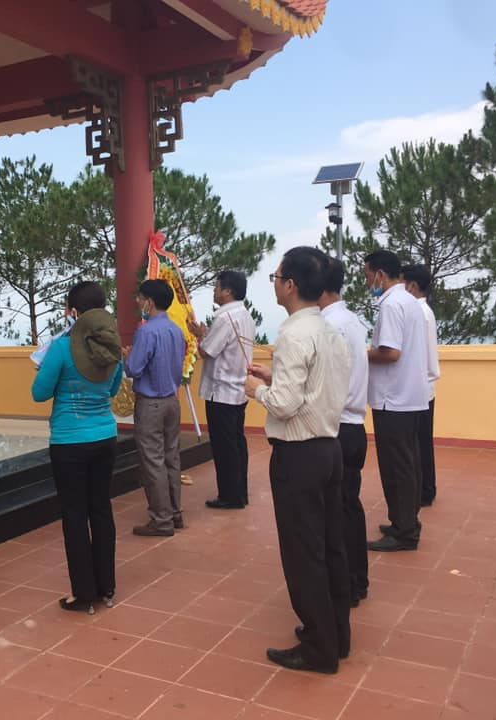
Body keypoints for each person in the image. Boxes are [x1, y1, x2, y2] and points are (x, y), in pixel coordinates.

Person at [245, 246, 351, 675]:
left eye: (275, 277)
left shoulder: (292, 334)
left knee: (303, 552)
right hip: (329, 448)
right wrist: (275, 378)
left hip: (299, 455)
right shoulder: (329, 331)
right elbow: (317, 388)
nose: (274, 283)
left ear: (290, 285)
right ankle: (336, 634)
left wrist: (257, 391)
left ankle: (319, 648)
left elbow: (286, 405)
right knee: (330, 545)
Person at [31, 281, 123, 614]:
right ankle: (106, 586)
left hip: (69, 442)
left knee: (74, 514)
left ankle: (83, 593)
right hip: (105, 437)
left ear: (72, 311)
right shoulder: (112, 346)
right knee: (101, 510)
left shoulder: (61, 348)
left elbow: (39, 393)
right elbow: (112, 390)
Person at [364, 250, 429, 552]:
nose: (367, 282)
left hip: (393, 398)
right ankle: (405, 520)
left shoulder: (391, 304)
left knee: (397, 467)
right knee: (408, 463)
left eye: (367, 275)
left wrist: (360, 353)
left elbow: (390, 352)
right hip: (410, 395)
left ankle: (404, 531)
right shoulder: (410, 301)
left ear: (380, 274)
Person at [318, 257, 369, 607]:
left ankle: (347, 584)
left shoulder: (328, 325)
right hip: (352, 425)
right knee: (349, 506)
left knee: (336, 510)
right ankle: (356, 579)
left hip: (336, 426)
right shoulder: (351, 320)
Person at [123, 279, 186, 537]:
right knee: (171, 458)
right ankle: (175, 512)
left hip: (151, 404)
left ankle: (161, 520)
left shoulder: (146, 331)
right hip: (172, 400)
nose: (139, 302)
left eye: (140, 298)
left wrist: (128, 355)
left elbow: (134, 368)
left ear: (149, 302)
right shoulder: (176, 330)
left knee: (153, 462)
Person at [189, 270, 255, 510]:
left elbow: (207, 351)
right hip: (238, 388)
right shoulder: (245, 315)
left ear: (228, 291)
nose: (214, 291)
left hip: (222, 391)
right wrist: (205, 335)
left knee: (224, 446)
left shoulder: (225, 317)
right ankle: (239, 492)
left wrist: (200, 337)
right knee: (237, 443)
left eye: (217, 287)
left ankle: (230, 495)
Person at [401, 264, 441, 507]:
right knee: (422, 442)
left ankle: (425, 490)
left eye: (402, 283)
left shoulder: (419, 312)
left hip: (419, 386)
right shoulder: (424, 311)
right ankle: (426, 488)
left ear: (412, 286)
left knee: (419, 444)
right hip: (424, 386)